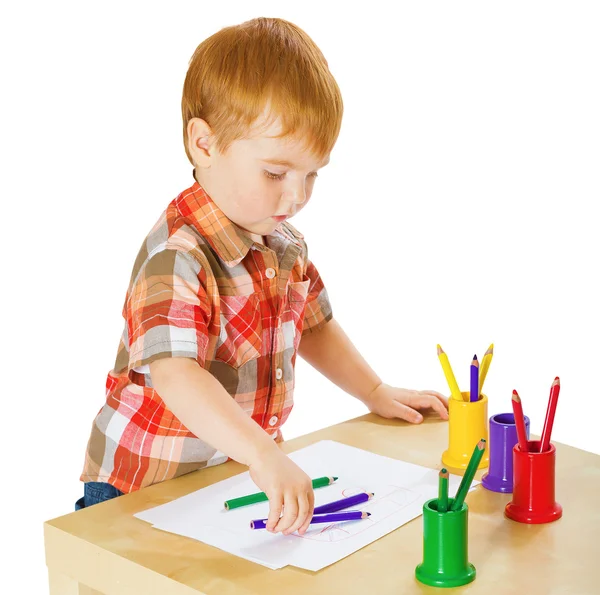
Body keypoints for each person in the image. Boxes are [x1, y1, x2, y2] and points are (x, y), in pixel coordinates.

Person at [77, 17, 449, 536]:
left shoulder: (283, 242)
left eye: (311, 175)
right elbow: (176, 374)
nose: (296, 197)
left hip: (227, 477)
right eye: (276, 173)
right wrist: (262, 453)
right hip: (140, 489)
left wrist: (374, 391)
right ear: (204, 144)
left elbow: (315, 326)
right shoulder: (179, 254)